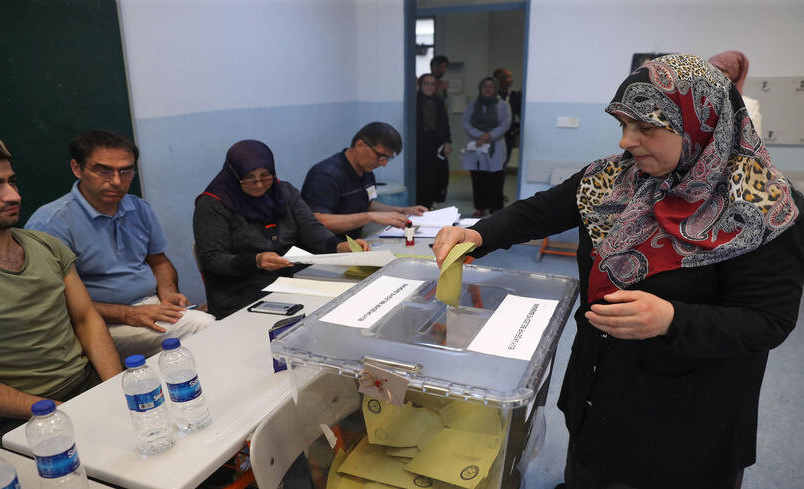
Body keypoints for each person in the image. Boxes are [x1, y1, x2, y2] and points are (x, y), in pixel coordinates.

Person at [432, 54, 804, 489]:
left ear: (700, 123)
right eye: (623, 125)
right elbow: (540, 211)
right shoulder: (614, 179)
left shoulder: (764, 208)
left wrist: (671, 319)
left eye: (646, 128)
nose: (628, 141)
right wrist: (478, 235)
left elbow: (767, 321)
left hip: (692, 413)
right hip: (601, 385)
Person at [0, 127, 122, 449]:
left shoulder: (45, 245)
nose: (13, 195)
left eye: (11, 181)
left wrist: (115, 388)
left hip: (84, 387)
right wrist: (56, 411)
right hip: (8, 417)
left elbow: (86, 319)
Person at [26, 130, 214, 360]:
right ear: (77, 168)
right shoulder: (51, 223)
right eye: (104, 170)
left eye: (125, 171)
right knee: (203, 328)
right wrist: (127, 314)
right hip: (96, 322)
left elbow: (159, 261)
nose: (116, 181)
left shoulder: (139, 208)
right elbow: (54, 300)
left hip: (149, 306)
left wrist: (168, 292)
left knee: (209, 327)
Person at [193, 140, 370, 319]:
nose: (259, 184)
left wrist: (340, 247)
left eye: (265, 176)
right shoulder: (213, 204)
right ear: (234, 174)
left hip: (292, 279)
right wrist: (256, 260)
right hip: (241, 290)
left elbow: (311, 228)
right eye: (249, 178)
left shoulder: (284, 192)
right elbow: (213, 259)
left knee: (347, 303)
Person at [301, 122, 427, 238]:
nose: (383, 164)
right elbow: (318, 221)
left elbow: (367, 204)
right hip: (326, 248)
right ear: (360, 145)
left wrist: (402, 211)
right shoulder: (325, 175)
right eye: (380, 156)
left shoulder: (366, 172)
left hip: (354, 240)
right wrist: (370, 217)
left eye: (387, 159)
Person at [462, 76, 512, 217]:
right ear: (480, 88)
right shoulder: (473, 104)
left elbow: (506, 123)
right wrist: (480, 135)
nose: (488, 89)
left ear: (495, 88)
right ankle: (480, 207)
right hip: (476, 145)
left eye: (491, 86)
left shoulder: (503, 105)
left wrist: (489, 135)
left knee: (495, 179)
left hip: (494, 146)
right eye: (485, 86)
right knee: (478, 179)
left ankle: (496, 209)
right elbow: (466, 122)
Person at [415, 73, 452, 209]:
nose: (429, 87)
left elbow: (445, 123)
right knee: (423, 177)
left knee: (439, 176)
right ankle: (423, 205)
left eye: (432, 84)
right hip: (420, 144)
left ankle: (430, 203)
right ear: (420, 85)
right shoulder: (414, 101)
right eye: (426, 83)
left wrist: (448, 142)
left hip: (437, 145)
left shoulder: (439, 101)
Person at [709, 50, 763, 136]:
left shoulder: (749, 105)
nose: (713, 75)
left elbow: (755, 144)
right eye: (711, 70)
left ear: (734, 73)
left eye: (720, 70)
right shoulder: (703, 102)